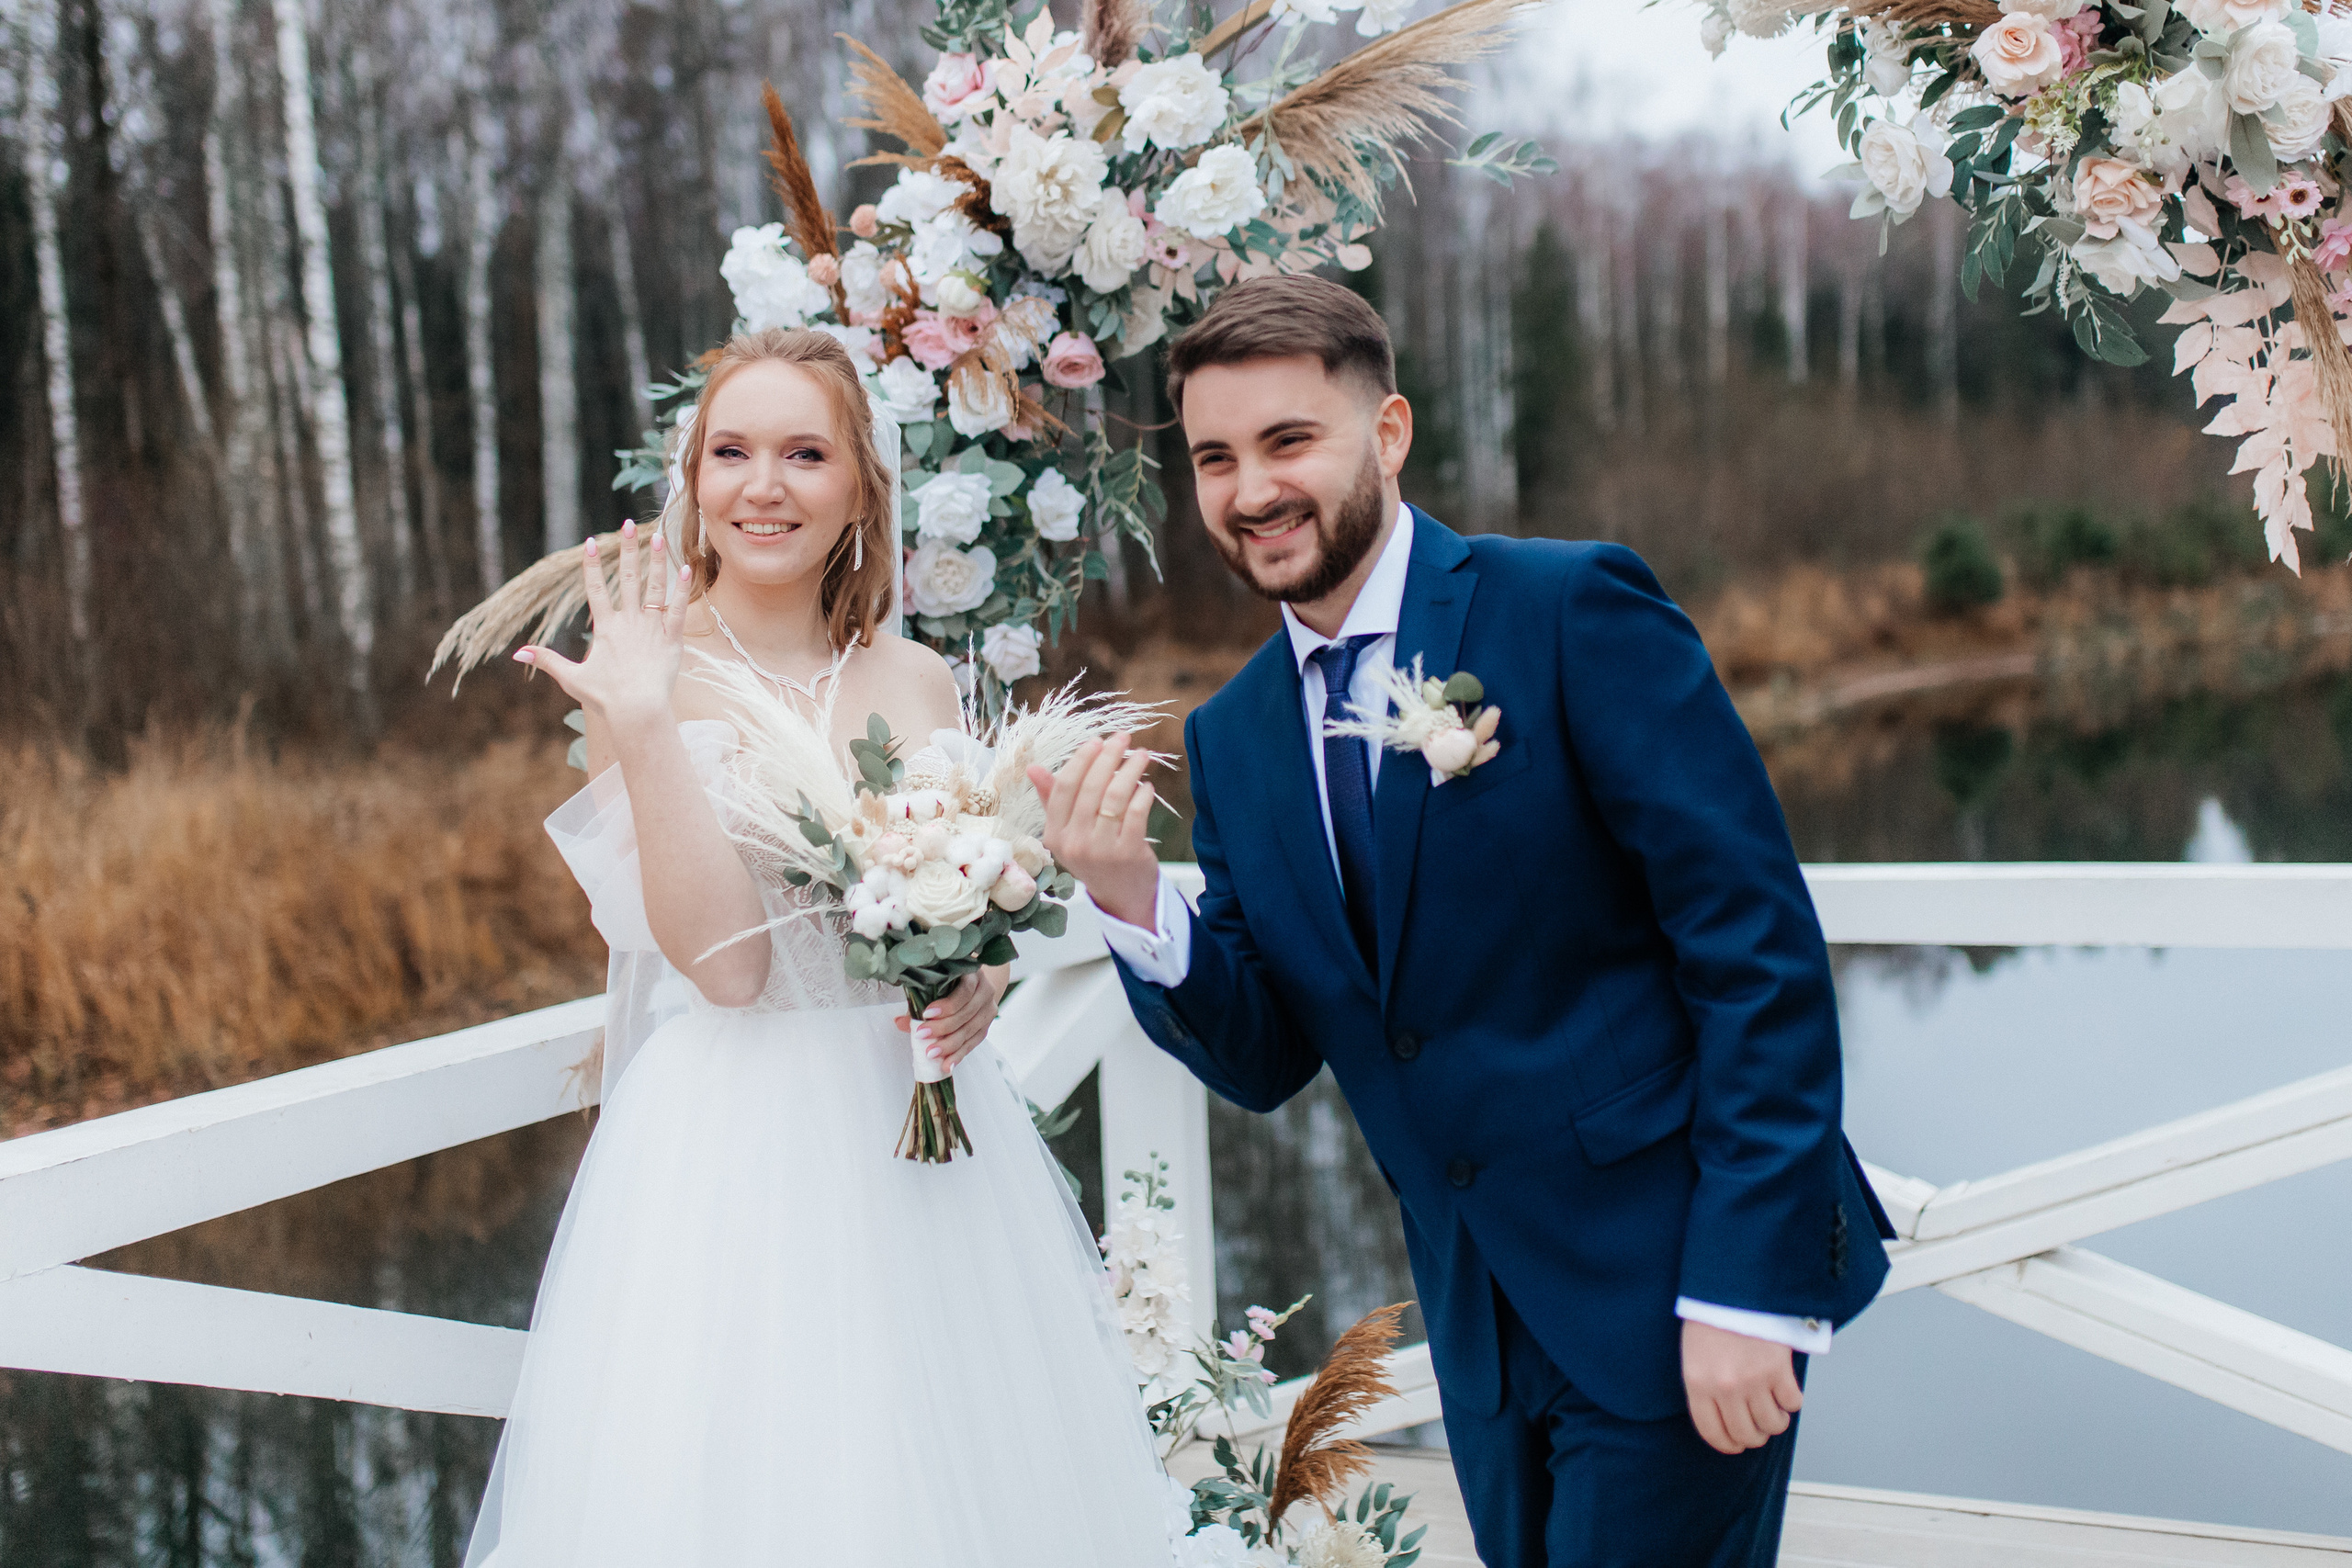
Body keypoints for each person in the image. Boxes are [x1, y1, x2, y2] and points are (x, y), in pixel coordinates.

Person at [1032, 276, 1894, 1568]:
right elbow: (1273, 1055)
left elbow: (1754, 954)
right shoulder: (1236, 737)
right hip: (1481, 1338)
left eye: (1287, 441)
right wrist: (1133, 897)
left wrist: (1745, 1286)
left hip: (1673, 1293)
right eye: (1215, 458)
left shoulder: (1567, 612)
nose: (1250, 488)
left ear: (1387, 434)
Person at [462, 328, 1168, 1566]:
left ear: (858, 489)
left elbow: (966, 898)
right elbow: (724, 963)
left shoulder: (916, 680)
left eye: (803, 453)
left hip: (927, 1144)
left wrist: (979, 977)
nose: (763, 486)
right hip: (737, 1149)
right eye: (730, 453)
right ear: (693, 483)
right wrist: (639, 721)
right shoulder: (653, 676)